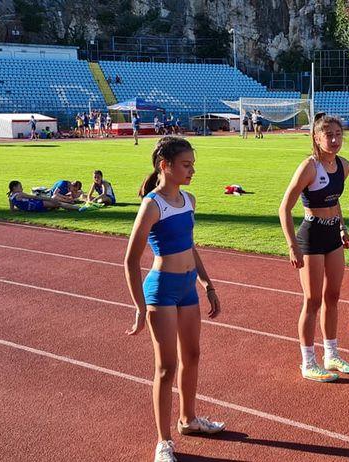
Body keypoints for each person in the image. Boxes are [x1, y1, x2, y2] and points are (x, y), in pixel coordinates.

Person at [124, 137, 226, 462]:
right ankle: (163, 442)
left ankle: (189, 420)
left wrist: (207, 283)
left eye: (193, 164)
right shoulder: (152, 205)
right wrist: (140, 307)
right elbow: (130, 260)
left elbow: (189, 246)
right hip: (162, 290)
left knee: (192, 356)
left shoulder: (188, 200)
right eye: (186, 165)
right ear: (164, 165)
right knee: (166, 367)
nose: (192, 170)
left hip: (187, 287)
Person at [278, 115, 349, 382]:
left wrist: (343, 228)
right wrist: (292, 245)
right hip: (311, 237)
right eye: (328, 135)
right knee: (312, 300)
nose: (334, 140)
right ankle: (308, 362)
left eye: (338, 134)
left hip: (333, 236)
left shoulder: (344, 166)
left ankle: (331, 354)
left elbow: (334, 202)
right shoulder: (309, 167)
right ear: (316, 137)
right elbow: (284, 208)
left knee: (333, 296)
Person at [8, 181, 80, 212]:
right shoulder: (20, 194)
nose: (22, 188)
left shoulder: (11, 197)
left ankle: (73, 207)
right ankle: (79, 208)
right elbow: (35, 197)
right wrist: (49, 199)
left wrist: (23, 208)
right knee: (58, 203)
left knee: (54, 206)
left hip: (32, 208)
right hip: (36, 205)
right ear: (14, 188)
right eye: (20, 186)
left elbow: (12, 210)